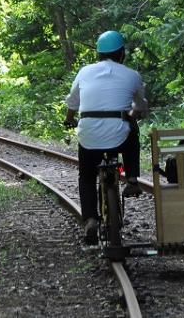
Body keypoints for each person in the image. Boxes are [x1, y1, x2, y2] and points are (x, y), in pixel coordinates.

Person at [63, 30, 149, 244]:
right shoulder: (131, 75)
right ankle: (131, 179)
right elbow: (140, 106)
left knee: (86, 175)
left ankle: (91, 219)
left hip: (88, 134)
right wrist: (135, 114)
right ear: (122, 53)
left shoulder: (84, 72)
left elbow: (72, 103)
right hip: (118, 133)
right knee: (132, 132)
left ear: (99, 54)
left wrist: (69, 119)